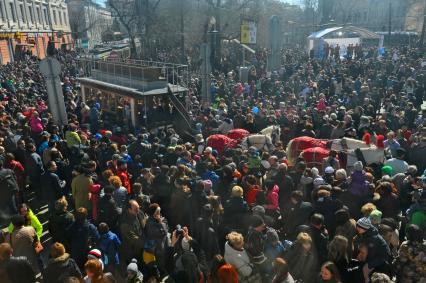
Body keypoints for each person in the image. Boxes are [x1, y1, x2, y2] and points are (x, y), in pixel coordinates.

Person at [120, 200, 146, 264]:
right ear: (129, 210)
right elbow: (133, 239)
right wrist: (146, 242)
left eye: (138, 208)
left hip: (142, 246)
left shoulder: (139, 212)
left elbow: (145, 222)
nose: (138, 211)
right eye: (135, 210)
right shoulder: (124, 223)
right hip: (132, 250)